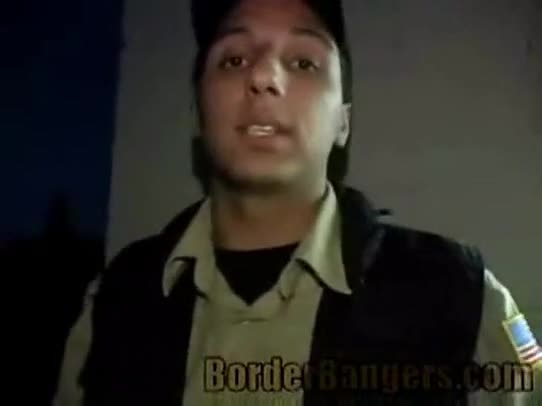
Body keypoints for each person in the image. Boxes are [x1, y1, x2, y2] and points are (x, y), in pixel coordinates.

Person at [54, 0, 541, 405]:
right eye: (234, 60)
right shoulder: (113, 301)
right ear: (199, 114)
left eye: (304, 62)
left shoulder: (463, 296)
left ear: (343, 123)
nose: (264, 76)